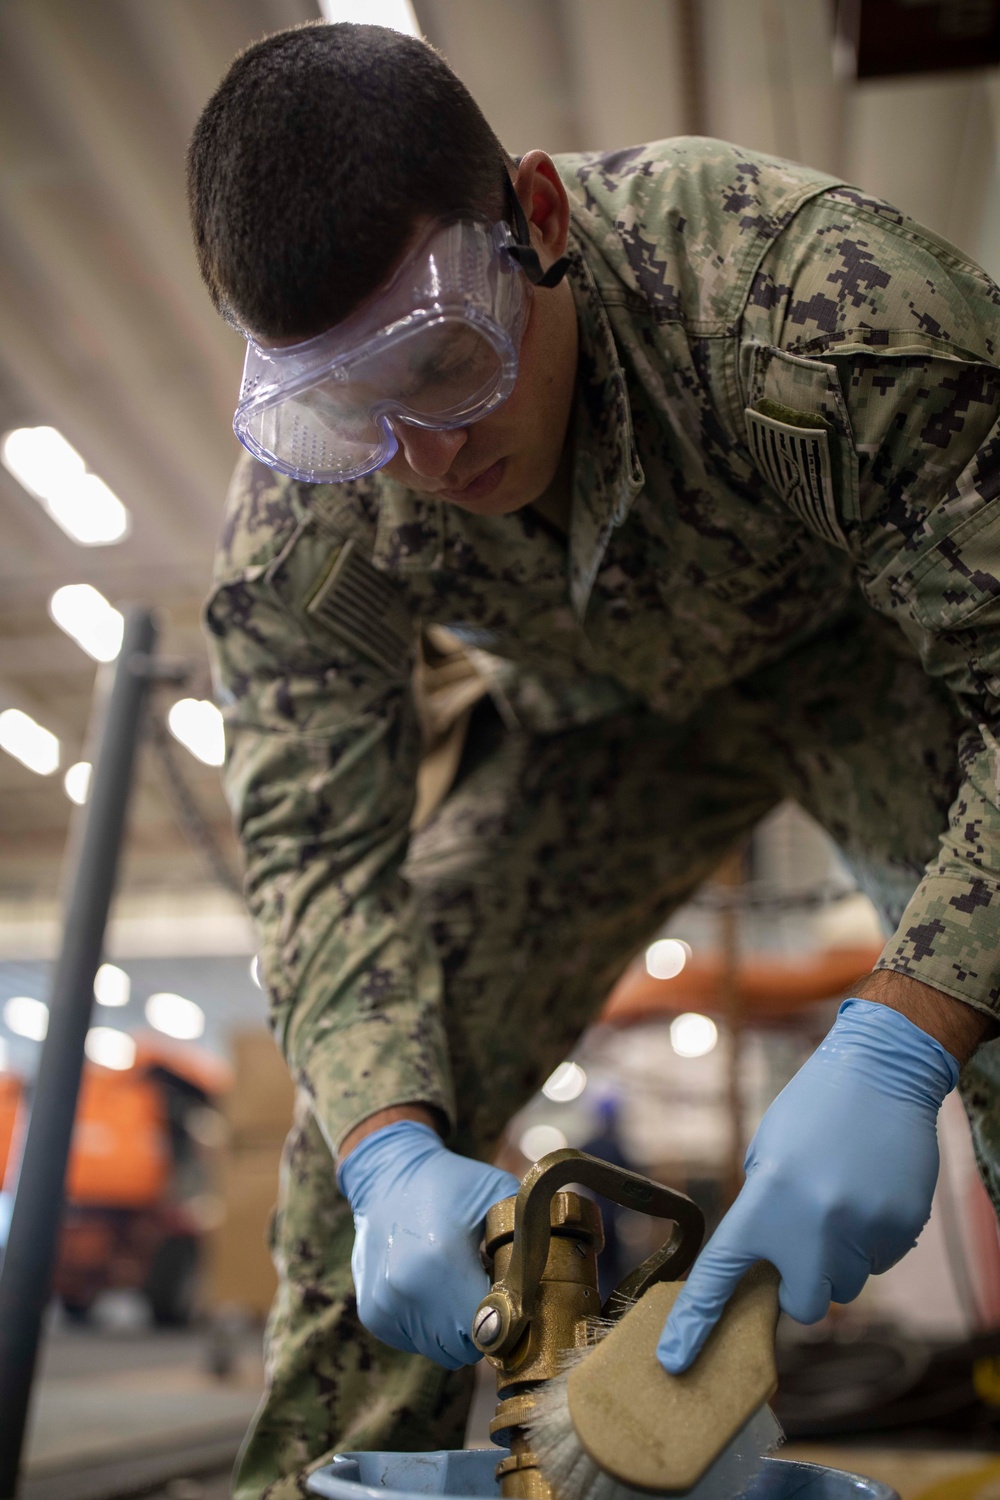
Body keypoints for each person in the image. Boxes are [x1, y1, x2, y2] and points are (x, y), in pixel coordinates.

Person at [187, 21, 1000, 1499]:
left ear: (539, 221)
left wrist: (909, 1033)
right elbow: (316, 852)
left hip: (863, 669)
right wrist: (384, 1153)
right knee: (362, 1091)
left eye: (444, 361)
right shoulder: (313, 518)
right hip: (591, 733)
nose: (425, 451)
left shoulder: (809, 306)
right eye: (356, 406)